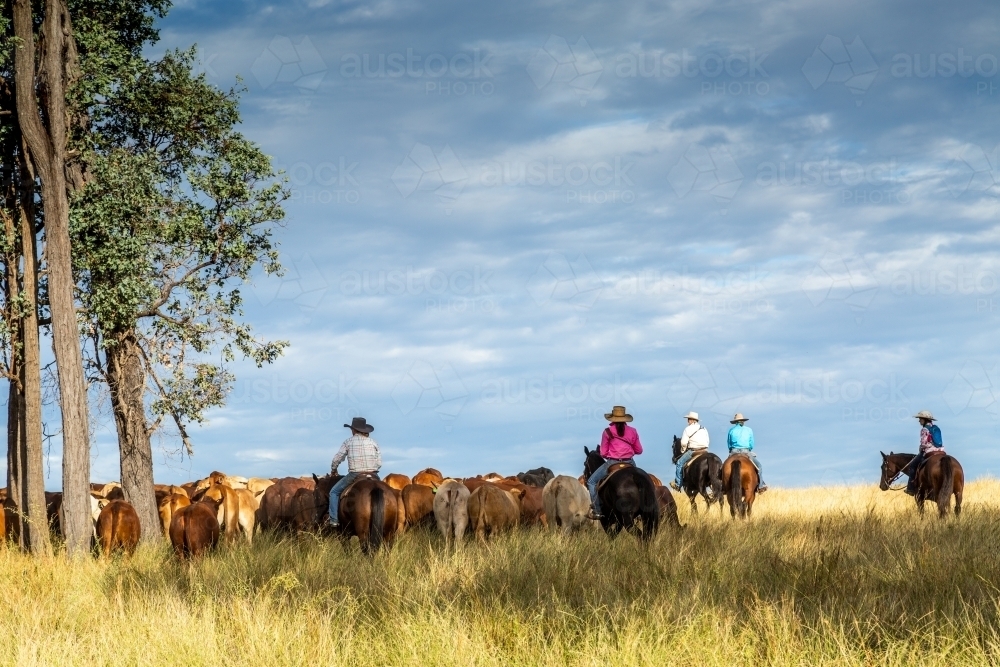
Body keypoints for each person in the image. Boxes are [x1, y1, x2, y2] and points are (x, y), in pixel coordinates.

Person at [588, 405, 643, 519]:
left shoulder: (607, 432)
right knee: (640, 481)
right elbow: (639, 450)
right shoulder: (633, 431)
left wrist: (611, 453)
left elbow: (603, 453)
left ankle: (598, 510)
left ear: (612, 419)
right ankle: (640, 509)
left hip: (612, 462)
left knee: (591, 482)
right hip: (630, 462)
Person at [328, 417, 382, 528]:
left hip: (355, 475)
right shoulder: (373, 442)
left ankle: (333, 520)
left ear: (353, 430)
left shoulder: (348, 442)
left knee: (334, 492)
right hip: (373, 474)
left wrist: (334, 470)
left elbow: (337, 459)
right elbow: (379, 463)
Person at [905, 410, 944, 496]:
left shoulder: (924, 429)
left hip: (929, 452)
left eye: (920, 419)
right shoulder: (936, 428)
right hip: (941, 451)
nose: (919, 421)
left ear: (925, 419)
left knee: (913, 465)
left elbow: (924, 444)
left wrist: (920, 448)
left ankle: (910, 488)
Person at [727, 413, 767, 493]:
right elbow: (751, 443)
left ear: (735, 422)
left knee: (722, 468)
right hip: (746, 451)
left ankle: (723, 486)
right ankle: (760, 485)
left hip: (734, 451)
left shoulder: (731, 430)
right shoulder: (749, 430)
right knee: (759, 466)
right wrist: (749, 449)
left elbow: (729, 443)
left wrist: (731, 449)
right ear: (743, 421)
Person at [670, 411, 709, 491]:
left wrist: (683, 450)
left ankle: (678, 484)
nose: (688, 421)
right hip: (705, 450)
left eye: (688, 419)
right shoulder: (704, 428)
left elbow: (683, 443)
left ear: (692, 420)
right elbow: (708, 440)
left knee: (679, 463)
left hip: (694, 451)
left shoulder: (687, 429)